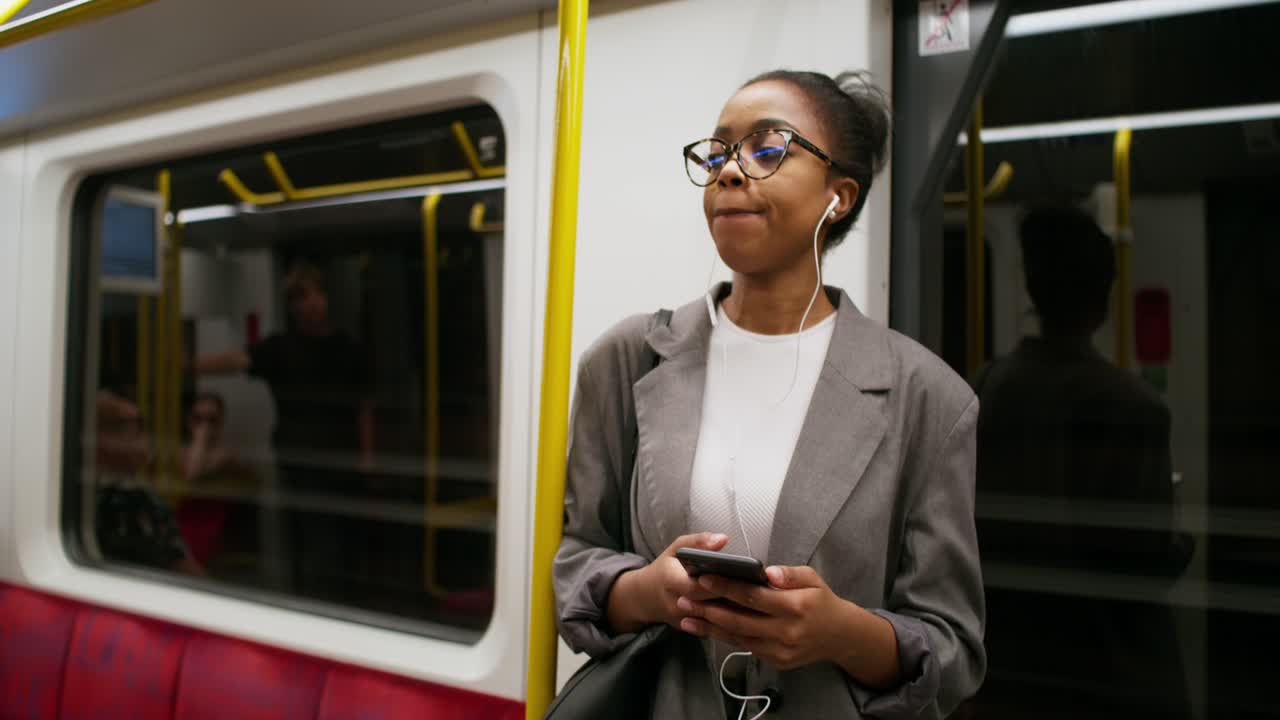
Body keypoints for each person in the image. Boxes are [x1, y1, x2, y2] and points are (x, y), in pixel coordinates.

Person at [553, 71, 984, 719]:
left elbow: (951, 648)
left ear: (839, 197)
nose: (729, 171)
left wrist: (839, 631)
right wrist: (646, 592)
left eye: (766, 148)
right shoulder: (627, 359)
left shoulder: (927, 399)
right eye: (719, 152)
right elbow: (575, 563)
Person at [970, 206, 1191, 718]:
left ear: (1033, 288)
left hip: (1012, 661)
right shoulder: (1135, 407)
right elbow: (1142, 558)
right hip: (1109, 670)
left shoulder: (985, 389)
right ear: (1103, 297)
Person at [193, 261, 374, 597]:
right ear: (292, 307)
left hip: (343, 458)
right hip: (301, 460)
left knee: (348, 539)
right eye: (303, 298)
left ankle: (349, 602)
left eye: (317, 295)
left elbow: (363, 406)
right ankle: (317, 603)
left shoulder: (347, 348)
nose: (313, 303)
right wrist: (184, 367)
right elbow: (237, 360)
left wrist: (367, 457)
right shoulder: (280, 348)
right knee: (315, 542)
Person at [175, 391, 256, 569]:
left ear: (221, 423)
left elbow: (194, 474)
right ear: (188, 421)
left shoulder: (228, 456)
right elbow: (190, 473)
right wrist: (200, 440)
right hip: (182, 531)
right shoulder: (179, 453)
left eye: (212, 419)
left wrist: (200, 438)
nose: (205, 426)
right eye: (198, 419)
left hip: (216, 536)